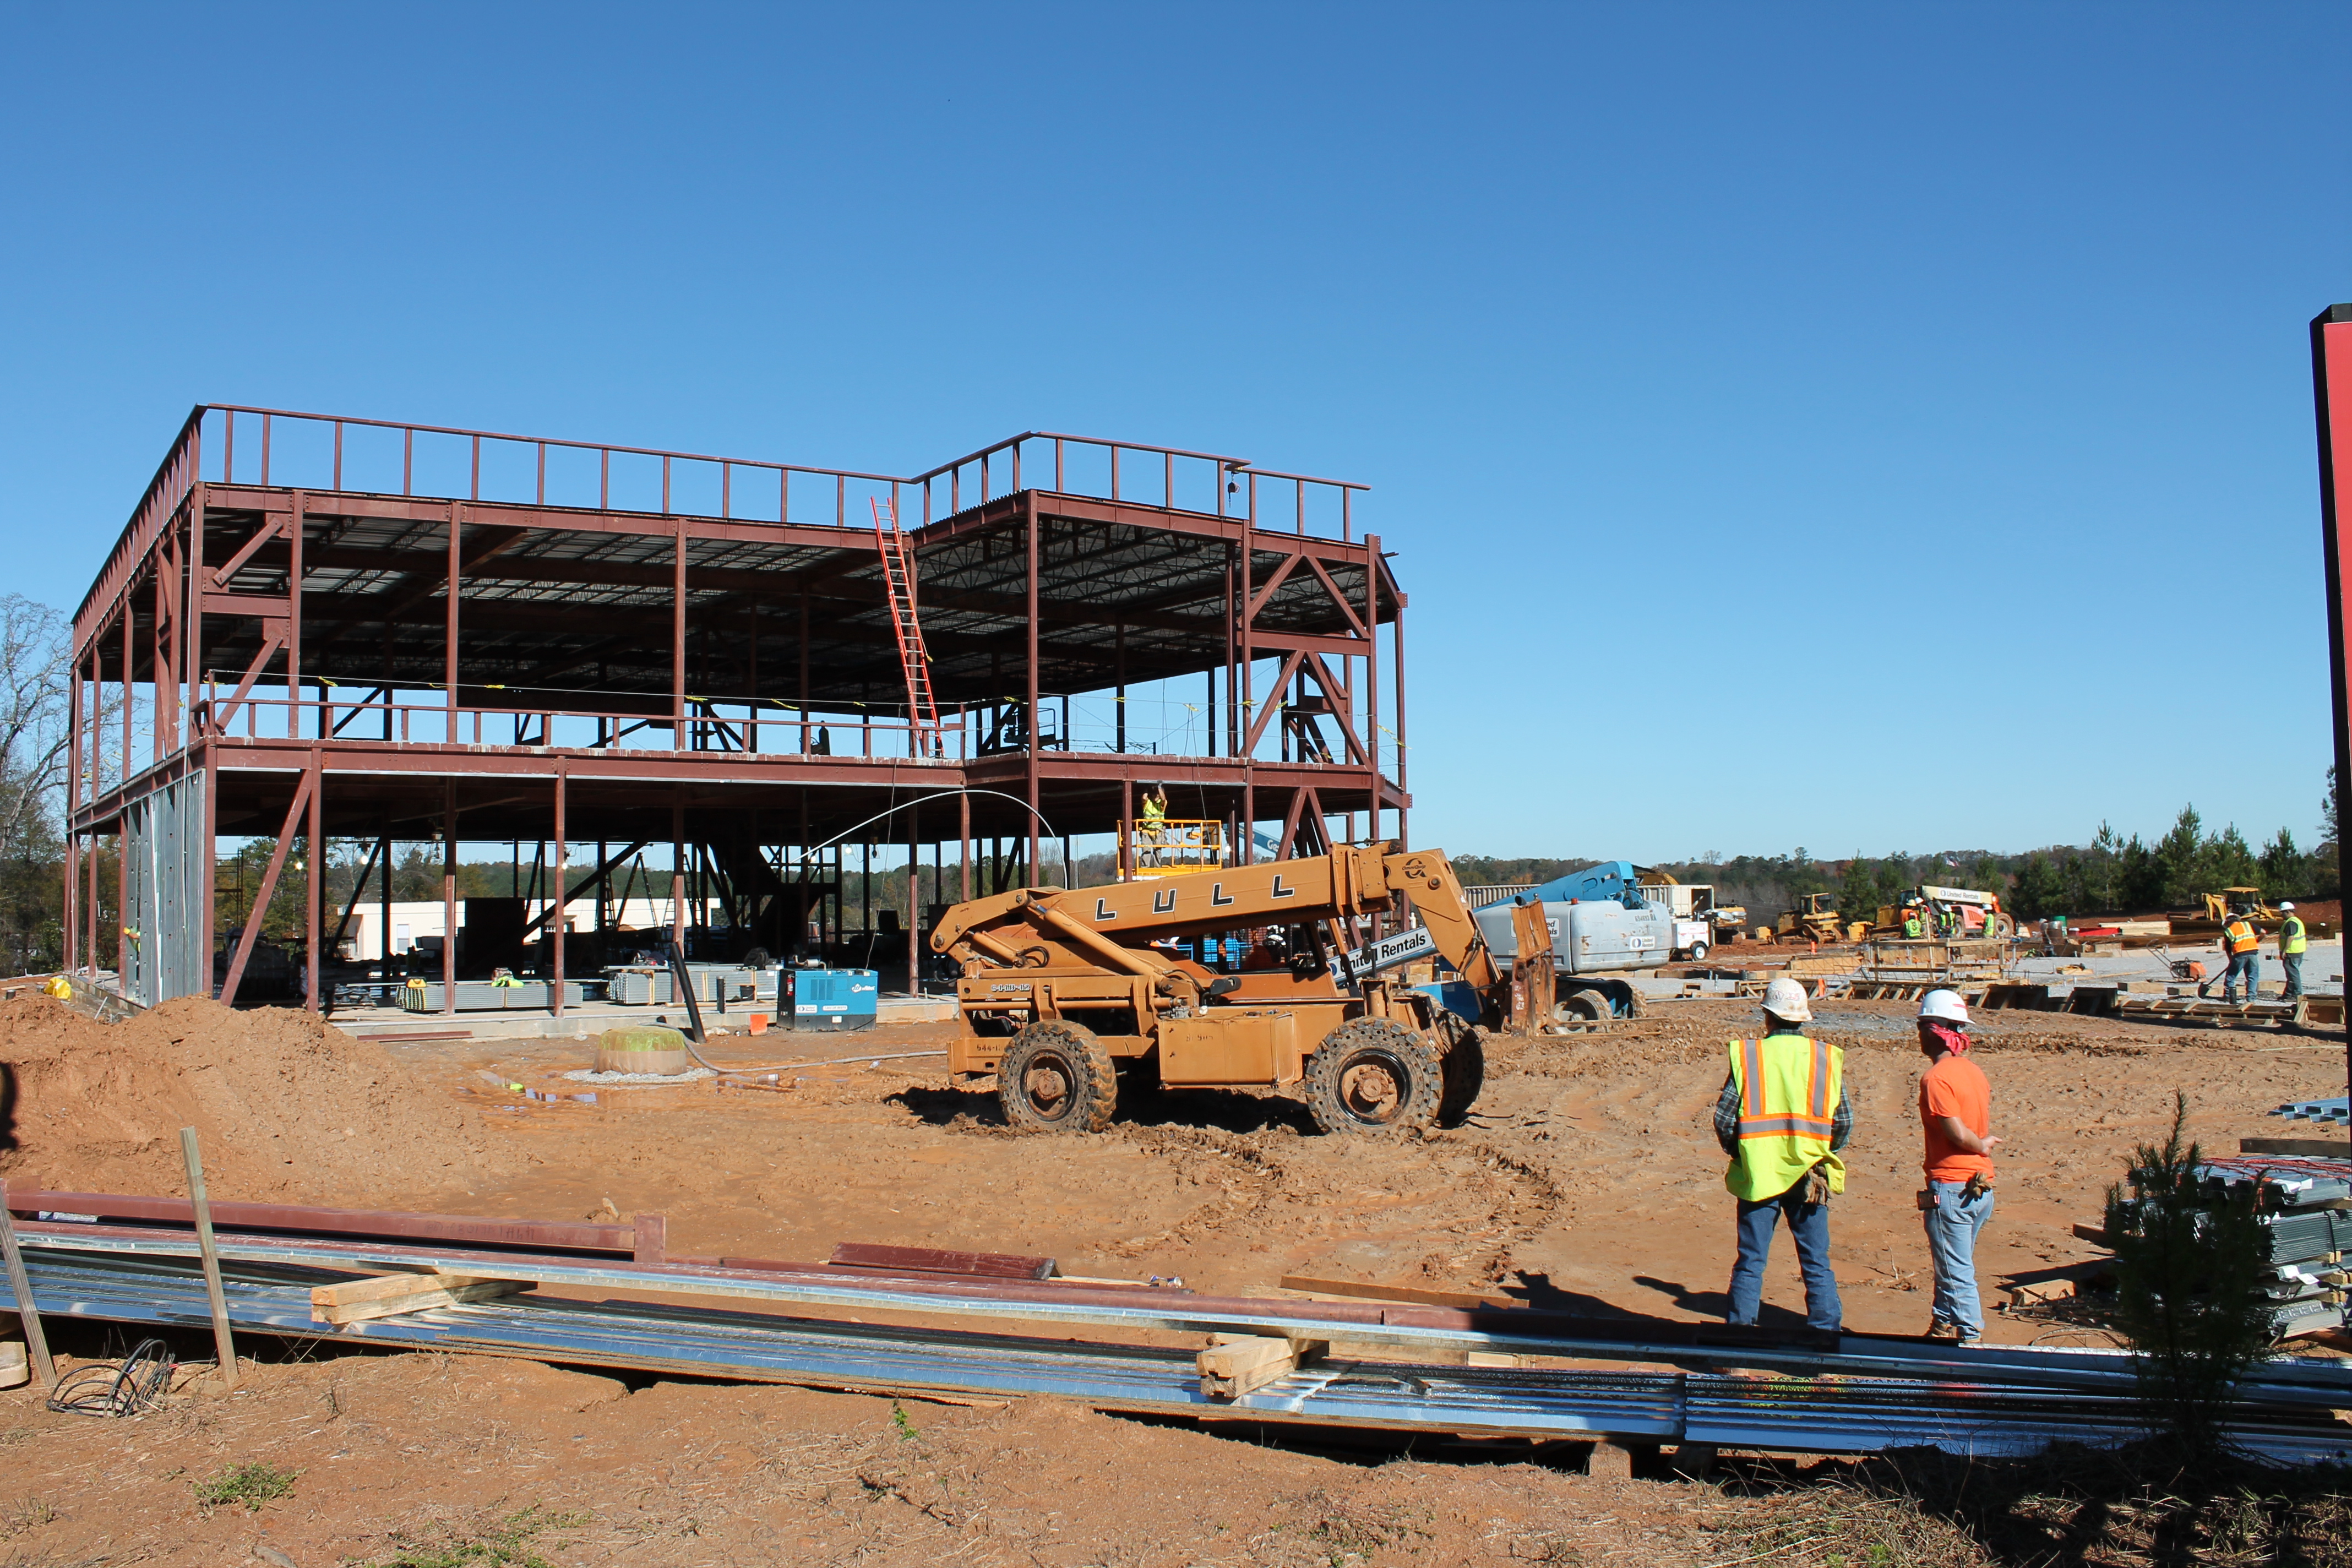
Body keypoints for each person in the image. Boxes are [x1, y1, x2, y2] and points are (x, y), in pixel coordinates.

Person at [1715, 977, 1850, 1333]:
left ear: (1767, 1016)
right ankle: (1825, 1341)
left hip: (1760, 1174)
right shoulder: (1825, 1058)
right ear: (1803, 1018)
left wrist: (1744, 1153)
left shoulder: (1751, 1056)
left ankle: (1738, 1345)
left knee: (1751, 1261)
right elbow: (1844, 1121)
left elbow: (1725, 1118)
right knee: (1816, 1261)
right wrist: (1822, 1151)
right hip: (1810, 1175)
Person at [1915, 988, 1999, 1344]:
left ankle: (1970, 1337)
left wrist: (1980, 1145)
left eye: (1921, 1026)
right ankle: (1942, 1323)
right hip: (1980, 1186)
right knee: (1952, 1262)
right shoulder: (1973, 1071)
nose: (1917, 1034)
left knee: (1956, 1269)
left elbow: (1958, 1133)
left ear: (1935, 1031)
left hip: (1952, 1189)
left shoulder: (1935, 1079)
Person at [2219, 908, 2261, 1003]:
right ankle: (2251, 998)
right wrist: (2256, 941)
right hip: (2253, 953)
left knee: (2231, 976)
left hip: (2240, 954)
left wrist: (2231, 961)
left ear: (2228, 923)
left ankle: (2228, 996)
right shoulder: (2248, 924)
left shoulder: (2228, 931)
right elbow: (2263, 932)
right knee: (2252, 976)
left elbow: (2228, 949)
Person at [2279, 902, 2307, 1000]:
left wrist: (2284, 951)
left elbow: (2290, 938)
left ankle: (2297, 994)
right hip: (2297, 951)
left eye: (2282, 913)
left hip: (2292, 952)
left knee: (2293, 974)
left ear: (2287, 912)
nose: (2281, 915)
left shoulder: (2291, 923)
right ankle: (2288, 994)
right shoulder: (2297, 921)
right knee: (2291, 974)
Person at [1137, 783, 1169, 865]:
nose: (1155, 796)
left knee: (1158, 851)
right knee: (1146, 851)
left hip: (1158, 831)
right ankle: (1145, 868)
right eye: (1154, 794)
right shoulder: (1147, 803)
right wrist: (1146, 788)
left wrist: (1159, 787)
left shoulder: (1162, 804)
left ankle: (1157, 868)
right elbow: (1144, 797)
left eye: (1157, 794)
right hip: (1146, 831)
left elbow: (1164, 799)